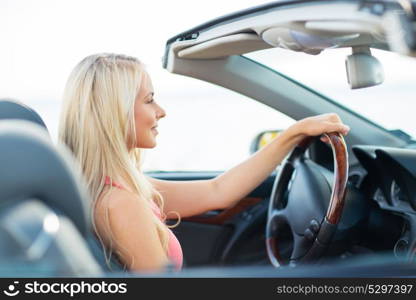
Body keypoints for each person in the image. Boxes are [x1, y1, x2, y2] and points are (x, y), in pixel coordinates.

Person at [58, 53, 350, 273]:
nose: (161, 112)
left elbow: (217, 191)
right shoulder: (120, 204)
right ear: (115, 113)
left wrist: (294, 133)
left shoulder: (118, 188)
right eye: (149, 100)